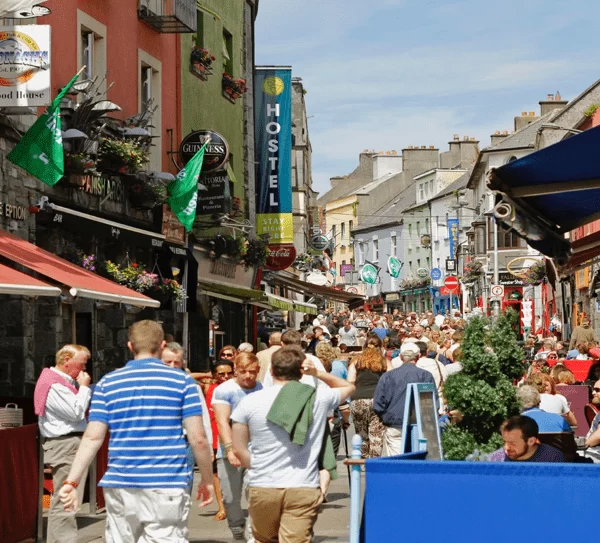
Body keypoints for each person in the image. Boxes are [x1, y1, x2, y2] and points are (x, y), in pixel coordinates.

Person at [58, 320, 214, 541]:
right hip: (166, 481)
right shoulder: (183, 382)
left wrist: (71, 482)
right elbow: (198, 438)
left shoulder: (107, 383)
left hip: (122, 482)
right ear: (162, 346)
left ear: (130, 346)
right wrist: (207, 479)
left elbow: (93, 437)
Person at [231, 345, 355, 543]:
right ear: (300, 372)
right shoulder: (317, 397)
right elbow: (348, 387)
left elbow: (238, 447)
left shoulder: (250, 401)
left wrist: (256, 466)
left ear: (271, 371)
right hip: (302, 485)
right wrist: (317, 373)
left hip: (264, 484)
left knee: (264, 540)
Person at [34, 344, 92, 543]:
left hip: (68, 443)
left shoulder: (60, 382)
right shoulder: (55, 384)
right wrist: (84, 387)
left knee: (66, 500)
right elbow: (75, 411)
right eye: (81, 363)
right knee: (66, 501)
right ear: (66, 360)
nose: (84, 369)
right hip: (65, 443)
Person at [213, 352, 263, 541]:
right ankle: (236, 526)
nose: (248, 376)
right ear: (236, 370)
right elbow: (222, 421)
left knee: (256, 494)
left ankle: (253, 533)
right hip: (230, 450)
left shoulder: (263, 389)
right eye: (243, 372)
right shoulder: (224, 390)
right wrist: (229, 448)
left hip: (256, 450)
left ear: (258, 370)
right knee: (230, 498)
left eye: (252, 372)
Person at [162, 343, 213, 494]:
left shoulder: (190, 386)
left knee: (184, 482)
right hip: (160, 440)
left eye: (176, 362)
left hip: (185, 440)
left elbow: (202, 418)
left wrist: (208, 446)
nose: (172, 366)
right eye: (168, 362)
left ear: (182, 363)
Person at [373, 345, 436, 457]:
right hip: (420, 425)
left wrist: (386, 417)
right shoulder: (425, 375)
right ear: (418, 356)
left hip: (395, 423)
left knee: (397, 462)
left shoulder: (388, 376)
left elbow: (378, 404)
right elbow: (433, 403)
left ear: (401, 357)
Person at [347, 337, 388, 458]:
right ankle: (374, 462)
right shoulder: (384, 361)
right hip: (377, 399)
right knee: (376, 434)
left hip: (358, 399)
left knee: (361, 432)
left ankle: (363, 459)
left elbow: (350, 381)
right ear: (380, 347)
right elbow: (391, 379)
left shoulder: (356, 361)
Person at [204, 358, 235, 521]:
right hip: (216, 437)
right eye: (221, 373)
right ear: (214, 375)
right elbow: (187, 376)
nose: (226, 376)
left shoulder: (239, 388)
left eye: (229, 373)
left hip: (238, 436)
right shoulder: (210, 388)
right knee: (217, 474)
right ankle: (222, 507)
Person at [489, 416, 564, 462]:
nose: (506, 448)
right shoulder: (497, 459)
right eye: (505, 442)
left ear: (531, 441)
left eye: (513, 443)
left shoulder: (552, 459)